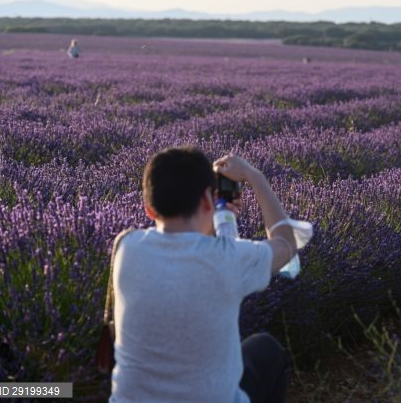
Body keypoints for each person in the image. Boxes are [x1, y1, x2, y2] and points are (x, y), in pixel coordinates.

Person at [110, 147, 298, 403]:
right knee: (267, 350)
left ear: (149, 210)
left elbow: (190, 250)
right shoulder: (228, 260)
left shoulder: (126, 247)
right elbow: (286, 244)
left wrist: (217, 217)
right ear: (207, 201)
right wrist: (255, 176)